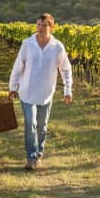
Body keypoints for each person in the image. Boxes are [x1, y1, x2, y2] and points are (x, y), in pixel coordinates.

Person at [9, 13, 73, 170]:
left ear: (51, 27)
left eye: (44, 25)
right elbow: (18, 66)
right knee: (31, 123)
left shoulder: (57, 47)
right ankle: (31, 157)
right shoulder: (27, 44)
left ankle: (39, 153)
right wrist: (13, 86)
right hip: (27, 92)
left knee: (42, 126)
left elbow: (65, 69)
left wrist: (67, 89)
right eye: (38, 24)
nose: (40, 28)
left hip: (46, 93)